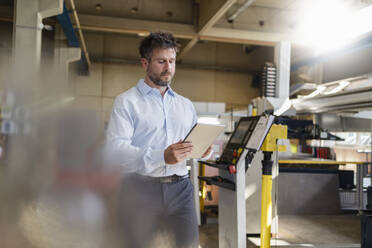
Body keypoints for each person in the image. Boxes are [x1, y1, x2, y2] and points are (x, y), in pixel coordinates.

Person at [105, 31, 211, 248]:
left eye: (172, 61)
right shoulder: (126, 102)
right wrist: (161, 156)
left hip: (181, 188)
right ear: (145, 63)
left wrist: (202, 149)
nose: (168, 68)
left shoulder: (185, 105)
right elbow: (116, 150)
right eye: (161, 61)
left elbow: (189, 144)